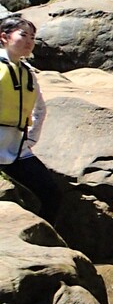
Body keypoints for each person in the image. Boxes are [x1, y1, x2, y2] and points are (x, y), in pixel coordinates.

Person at [0, 16, 61, 222]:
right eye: (23, 35)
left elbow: (40, 109)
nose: (29, 41)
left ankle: (42, 236)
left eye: (33, 37)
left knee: (52, 194)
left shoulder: (27, 72)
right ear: (4, 37)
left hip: (17, 148)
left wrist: (32, 138)